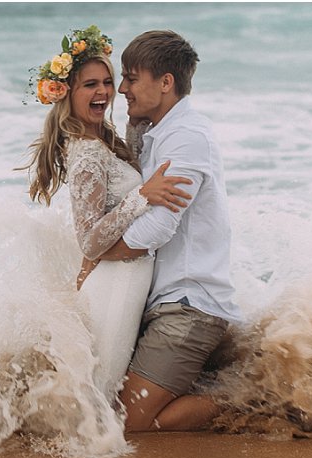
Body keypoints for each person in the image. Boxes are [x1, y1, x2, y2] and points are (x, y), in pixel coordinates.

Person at [20, 25, 193, 402]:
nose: (103, 92)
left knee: (107, 392)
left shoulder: (103, 138)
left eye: (108, 82)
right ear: (67, 93)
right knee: (101, 393)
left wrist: (137, 126)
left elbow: (124, 179)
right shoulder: (86, 154)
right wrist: (141, 199)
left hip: (129, 277)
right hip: (116, 282)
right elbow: (91, 240)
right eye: (89, 85)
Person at [92, 30, 242, 432]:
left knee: (126, 424)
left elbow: (158, 226)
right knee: (109, 404)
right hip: (167, 301)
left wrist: (99, 251)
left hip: (190, 305)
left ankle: (252, 400)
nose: (121, 88)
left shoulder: (187, 137)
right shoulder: (158, 131)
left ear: (166, 82)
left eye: (130, 78)